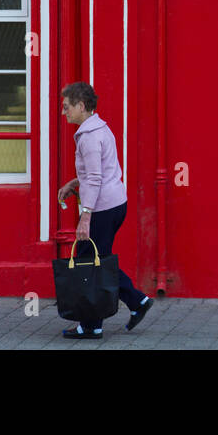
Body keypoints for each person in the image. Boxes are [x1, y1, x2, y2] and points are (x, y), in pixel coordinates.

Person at [57, 82, 154, 339]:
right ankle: (134, 303)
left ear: (80, 106)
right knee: (97, 261)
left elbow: (96, 178)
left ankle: (92, 325)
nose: (63, 111)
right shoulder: (102, 127)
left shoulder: (89, 137)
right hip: (114, 203)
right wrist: (74, 183)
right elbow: (99, 171)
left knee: (90, 263)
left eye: (66, 107)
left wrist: (85, 217)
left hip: (101, 207)